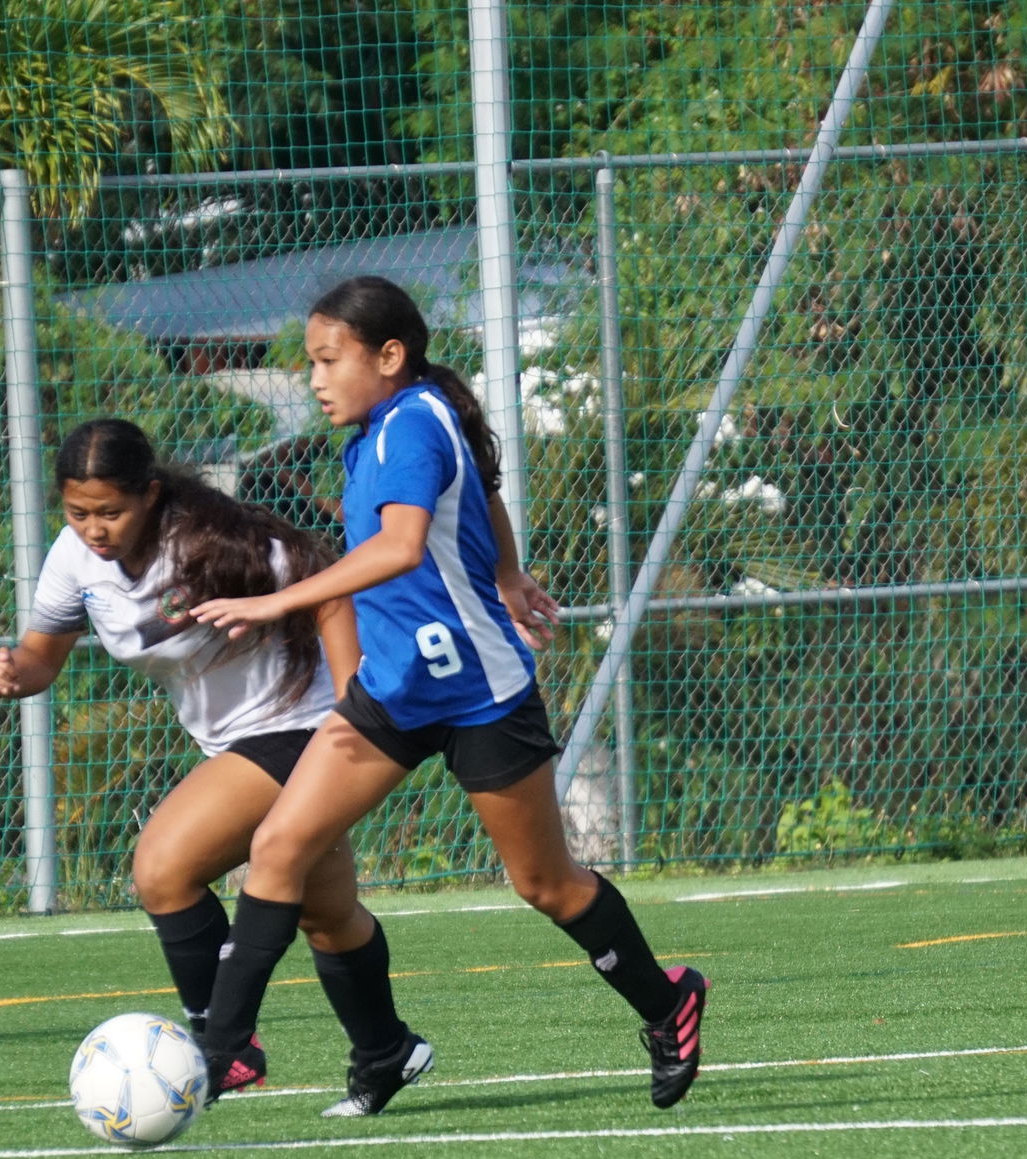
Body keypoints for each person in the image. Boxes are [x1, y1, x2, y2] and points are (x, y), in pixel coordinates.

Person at [191, 276, 709, 1115]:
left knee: (547, 884)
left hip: (477, 689)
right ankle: (218, 1056)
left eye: (329, 360)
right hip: (394, 689)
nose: (314, 380)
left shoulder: (415, 422)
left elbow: (400, 546)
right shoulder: (383, 427)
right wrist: (503, 566)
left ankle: (668, 1001)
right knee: (280, 845)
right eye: (309, 363)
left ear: (389, 357)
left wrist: (276, 601)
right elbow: (482, 491)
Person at [0, 417, 420, 1102]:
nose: (95, 528)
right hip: (236, 741)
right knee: (328, 914)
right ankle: (387, 1049)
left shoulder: (208, 542)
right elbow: (42, 658)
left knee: (164, 867)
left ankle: (227, 1045)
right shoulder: (73, 559)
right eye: (78, 512)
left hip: (301, 729)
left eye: (111, 512)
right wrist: (11, 672)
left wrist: (348, 703)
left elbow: (326, 579)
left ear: (150, 496)